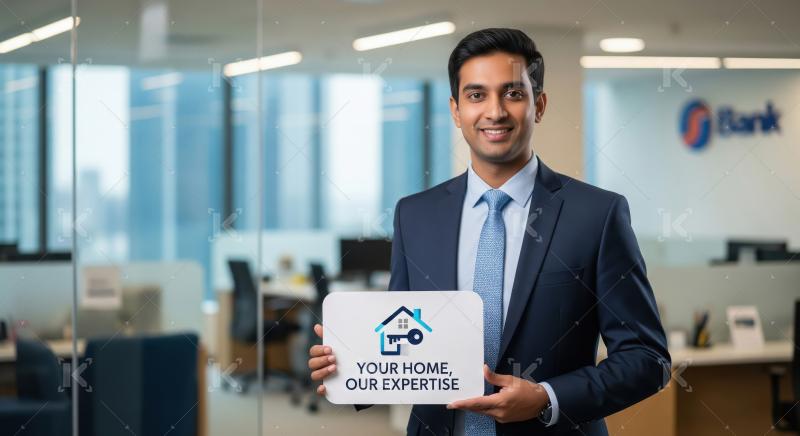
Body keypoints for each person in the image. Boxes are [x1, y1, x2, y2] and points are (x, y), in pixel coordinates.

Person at [309, 27, 670, 436]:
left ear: (540, 105)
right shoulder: (415, 215)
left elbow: (647, 359)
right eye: (476, 95)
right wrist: (350, 368)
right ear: (455, 109)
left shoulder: (596, 214)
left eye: (513, 94)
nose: (494, 111)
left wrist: (546, 398)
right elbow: (408, 341)